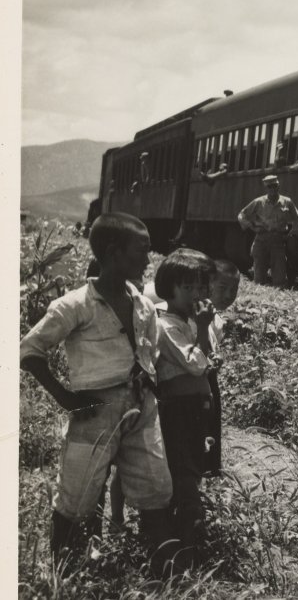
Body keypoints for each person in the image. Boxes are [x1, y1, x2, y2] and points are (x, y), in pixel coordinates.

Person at [19, 213, 176, 575]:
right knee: (77, 495)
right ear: (112, 252)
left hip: (140, 409)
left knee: (156, 486)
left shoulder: (144, 305)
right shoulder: (76, 305)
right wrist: (67, 399)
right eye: (142, 250)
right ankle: (66, 575)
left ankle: (164, 573)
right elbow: (29, 351)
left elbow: (147, 353)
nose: (148, 259)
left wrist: (148, 389)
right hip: (95, 413)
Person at [152, 248, 218, 570]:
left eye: (199, 288)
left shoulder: (192, 322)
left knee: (195, 467)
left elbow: (211, 357)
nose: (195, 295)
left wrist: (205, 328)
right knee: (184, 472)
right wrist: (204, 329)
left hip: (199, 409)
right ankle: (187, 545)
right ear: (169, 289)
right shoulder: (167, 326)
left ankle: (187, 534)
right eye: (187, 288)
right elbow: (196, 365)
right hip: (179, 411)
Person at [202, 259, 240, 477]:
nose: (228, 296)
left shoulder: (217, 320)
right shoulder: (195, 313)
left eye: (233, 290)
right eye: (222, 288)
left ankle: (211, 467)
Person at [237, 174, 298, 287]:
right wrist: (251, 226)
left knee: (279, 279)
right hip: (261, 241)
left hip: (278, 242)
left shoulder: (287, 202)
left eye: (274, 186)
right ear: (266, 188)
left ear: (278, 186)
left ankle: (277, 301)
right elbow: (241, 215)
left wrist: (291, 234)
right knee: (259, 279)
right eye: (269, 187)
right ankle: (258, 301)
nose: (272, 189)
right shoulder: (259, 202)